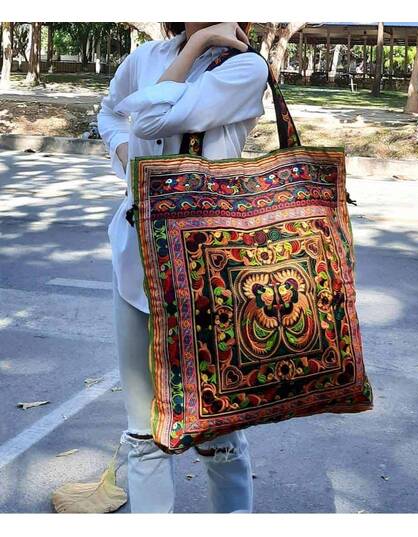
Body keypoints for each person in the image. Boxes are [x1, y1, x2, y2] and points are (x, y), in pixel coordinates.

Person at [97, 22, 269, 513]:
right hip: (135, 261)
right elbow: (112, 113)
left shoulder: (245, 67)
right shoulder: (146, 56)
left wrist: (198, 44)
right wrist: (127, 159)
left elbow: (151, 119)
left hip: (207, 275)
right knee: (144, 433)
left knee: (220, 431)